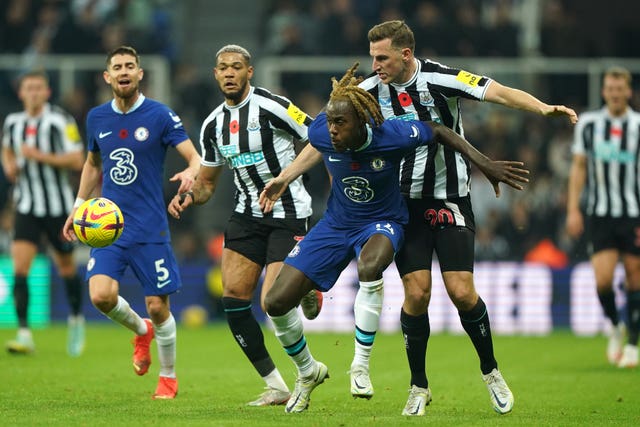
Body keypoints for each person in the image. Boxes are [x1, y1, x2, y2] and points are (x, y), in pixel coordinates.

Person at [259, 63, 529, 414]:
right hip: (336, 223)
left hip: (388, 218)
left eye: (341, 123)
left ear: (363, 122)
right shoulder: (323, 132)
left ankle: (367, 366)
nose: (333, 131)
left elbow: (438, 129)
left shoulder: (391, 134)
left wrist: (484, 163)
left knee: (431, 283)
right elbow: (314, 143)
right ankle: (311, 372)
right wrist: (284, 177)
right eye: (330, 122)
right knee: (275, 302)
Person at [359, 20, 579, 416]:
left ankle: (490, 371)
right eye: (373, 57)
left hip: (451, 199)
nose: (374, 65)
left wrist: (543, 108)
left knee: (461, 291)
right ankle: (418, 386)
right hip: (403, 205)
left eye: (382, 57)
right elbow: (329, 127)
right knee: (416, 293)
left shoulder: (442, 78)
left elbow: (498, 92)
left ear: (405, 55)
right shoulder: (369, 92)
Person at [167, 44, 322, 407]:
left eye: (237, 67)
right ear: (215, 74)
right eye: (223, 67)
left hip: (288, 213)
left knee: (272, 303)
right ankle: (278, 384)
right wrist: (190, 195)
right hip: (245, 216)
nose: (230, 73)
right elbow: (207, 184)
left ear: (249, 72)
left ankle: (306, 363)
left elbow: (321, 137)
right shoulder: (212, 125)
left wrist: (287, 176)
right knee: (234, 302)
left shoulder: (274, 106)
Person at [61, 45, 201, 399]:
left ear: (140, 74)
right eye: (117, 67)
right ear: (107, 77)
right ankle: (142, 331)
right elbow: (93, 164)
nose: (124, 71)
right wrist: (78, 208)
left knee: (158, 305)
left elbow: (194, 157)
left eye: (130, 66)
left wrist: (191, 171)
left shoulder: (160, 115)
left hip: (150, 227)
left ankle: (168, 376)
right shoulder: (96, 117)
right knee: (101, 296)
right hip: (108, 228)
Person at [1, 70, 86, 356]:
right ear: (21, 92)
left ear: (47, 92)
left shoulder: (61, 121)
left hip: (58, 208)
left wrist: (40, 156)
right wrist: (9, 165)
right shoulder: (13, 122)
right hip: (26, 205)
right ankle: (24, 333)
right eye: (29, 88)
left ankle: (76, 320)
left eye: (39, 88)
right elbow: (6, 149)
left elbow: (78, 158)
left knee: (66, 268)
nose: (34, 93)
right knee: (20, 269)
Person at [566, 66, 640, 368]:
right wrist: (573, 208)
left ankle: (633, 343)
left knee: (636, 276)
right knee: (603, 281)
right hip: (599, 213)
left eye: (619, 88)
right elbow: (579, 167)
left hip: (633, 213)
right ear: (604, 91)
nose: (615, 93)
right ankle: (616, 325)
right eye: (610, 88)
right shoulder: (589, 125)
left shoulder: (638, 125)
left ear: (628, 91)